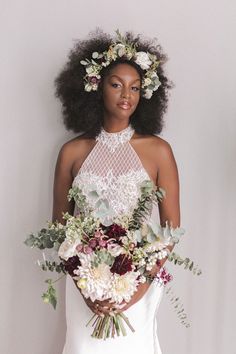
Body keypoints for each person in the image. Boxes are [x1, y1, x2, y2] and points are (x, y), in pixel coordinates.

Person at [52, 29, 180, 354]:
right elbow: (60, 228)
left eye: (135, 87)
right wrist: (87, 290)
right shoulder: (71, 152)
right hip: (85, 285)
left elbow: (169, 231)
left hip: (138, 282)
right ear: (96, 87)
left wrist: (132, 292)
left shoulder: (158, 151)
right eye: (117, 84)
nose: (127, 94)